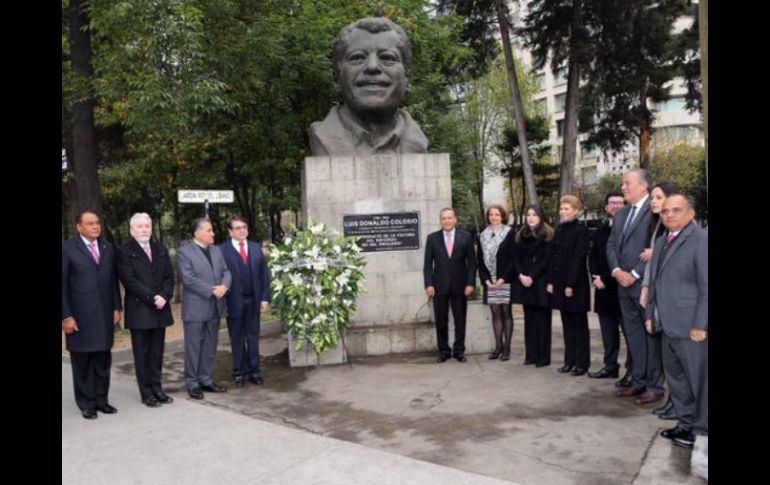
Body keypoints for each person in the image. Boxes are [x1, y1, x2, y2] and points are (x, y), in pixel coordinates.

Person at [309, 17, 428, 156]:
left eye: (388, 58)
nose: (372, 66)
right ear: (337, 78)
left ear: (407, 78)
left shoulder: (418, 142)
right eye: (357, 57)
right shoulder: (322, 136)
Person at [645, 195, 707, 449]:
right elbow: (655, 283)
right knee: (677, 380)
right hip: (667, 325)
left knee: (699, 381)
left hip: (691, 327)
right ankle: (685, 424)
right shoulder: (661, 241)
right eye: (665, 211)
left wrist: (700, 325)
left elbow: (706, 287)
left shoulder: (701, 240)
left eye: (676, 210)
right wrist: (650, 314)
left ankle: (701, 430)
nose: (669, 215)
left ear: (690, 213)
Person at [607, 169, 665, 404]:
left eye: (627, 183)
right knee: (634, 337)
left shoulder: (655, 212)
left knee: (651, 336)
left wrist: (633, 273)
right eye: (622, 184)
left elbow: (656, 247)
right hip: (623, 286)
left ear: (643, 186)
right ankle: (639, 381)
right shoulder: (621, 214)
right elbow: (611, 245)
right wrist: (617, 271)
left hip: (644, 286)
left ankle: (654, 385)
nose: (623, 188)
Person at [62, 210, 122, 419]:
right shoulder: (67, 249)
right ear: (79, 227)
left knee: (103, 359)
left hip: (104, 314)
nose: (95, 227)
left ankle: (101, 400)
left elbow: (112, 281)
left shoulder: (107, 247)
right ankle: (86, 403)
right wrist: (66, 316)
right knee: (83, 362)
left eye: (97, 223)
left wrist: (116, 306)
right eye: (90, 223)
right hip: (79, 317)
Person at [116, 213, 175, 407]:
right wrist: (152, 298)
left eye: (147, 226)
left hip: (160, 309)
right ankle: (146, 392)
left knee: (157, 352)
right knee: (142, 354)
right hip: (140, 310)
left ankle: (157, 389)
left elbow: (169, 276)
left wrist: (165, 296)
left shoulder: (160, 249)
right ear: (132, 230)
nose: (144, 230)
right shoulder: (124, 251)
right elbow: (129, 280)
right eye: (140, 227)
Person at [176, 218, 231, 400]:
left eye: (212, 230)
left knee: (209, 346)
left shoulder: (216, 250)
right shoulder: (184, 252)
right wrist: (211, 290)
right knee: (193, 347)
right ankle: (192, 383)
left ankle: (206, 379)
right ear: (196, 233)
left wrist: (224, 287)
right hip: (196, 308)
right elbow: (188, 278)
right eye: (209, 230)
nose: (212, 233)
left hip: (215, 306)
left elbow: (226, 271)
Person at [638, 182, 679, 413]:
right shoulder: (657, 226)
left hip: (673, 300)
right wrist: (645, 287)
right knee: (662, 349)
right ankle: (670, 400)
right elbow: (652, 265)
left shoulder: (677, 227)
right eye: (652, 197)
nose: (653, 201)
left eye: (658, 197)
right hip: (656, 295)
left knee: (675, 355)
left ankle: (677, 403)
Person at [218, 216, 271, 388]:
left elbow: (264, 275)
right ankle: (239, 372)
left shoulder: (256, 248)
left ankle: (254, 371)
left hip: (254, 300)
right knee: (237, 338)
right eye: (238, 228)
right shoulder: (222, 250)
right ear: (230, 231)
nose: (242, 230)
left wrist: (264, 298)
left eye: (244, 227)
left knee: (253, 337)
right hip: (233, 301)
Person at [423, 208, 476, 363]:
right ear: (440, 221)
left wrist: (470, 283)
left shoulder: (466, 237)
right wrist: (428, 284)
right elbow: (427, 265)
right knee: (441, 320)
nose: (446, 221)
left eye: (449, 218)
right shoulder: (432, 238)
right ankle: (443, 351)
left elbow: (472, 264)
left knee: (460, 320)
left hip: (460, 286)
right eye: (443, 218)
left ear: (455, 219)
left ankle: (459, 351)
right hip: (439, 286)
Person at [547, 195, 591, 376]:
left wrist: (570, 284)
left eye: (567, 208)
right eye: (562, 208)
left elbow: (578, 259)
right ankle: (569, 361)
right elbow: (554, 257)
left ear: (575, 210)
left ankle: (582, 363)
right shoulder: (559, 229)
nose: (563, 211)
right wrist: (551, 281)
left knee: (579, 324)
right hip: (560, 284)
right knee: (566, 324)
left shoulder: (581, 230)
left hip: (576, 284)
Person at [587, 190, 628, 381]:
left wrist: (605, 279)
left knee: (630, 336)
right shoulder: (601, 229)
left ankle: (633, 371)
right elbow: (593, 257)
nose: (616, 206)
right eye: (612, 203)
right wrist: (595, 277)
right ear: (606, 207)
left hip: (622, 290)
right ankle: (610, 366)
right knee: (608, 335)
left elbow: (626, 261)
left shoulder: (629, 230)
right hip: (603, 292)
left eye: (620, 203)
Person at [512, 205, 554, 368]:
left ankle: (543, 357)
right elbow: (516, 259)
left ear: (540, 217)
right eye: (528, 214)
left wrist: (532, 276)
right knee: (529, 320)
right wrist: (521, 275)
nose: (530, 217)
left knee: (542, 320)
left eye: (534, 215)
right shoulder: (520, 235)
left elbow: (547, 260)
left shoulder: (547, 235)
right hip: (525, 282)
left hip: (541, 282)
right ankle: (531, 355)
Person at [477, 204, 516, 361]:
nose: (494, 217)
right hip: (490, 282)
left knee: (506, 313)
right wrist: (486, 280)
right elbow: (480, 259)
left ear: (502, 217)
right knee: (495, 313)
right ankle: (498, 346)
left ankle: (507, 348)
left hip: (504, 280)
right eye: (491, 214)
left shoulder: (509, 233)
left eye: (497, 215)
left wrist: (502, 279)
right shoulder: (483, 235)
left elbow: (513, 259)